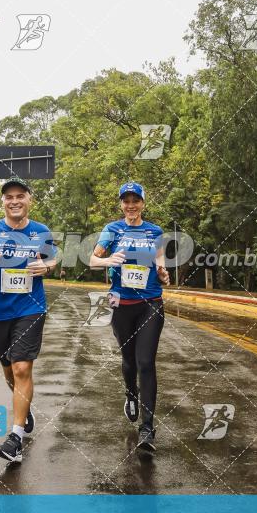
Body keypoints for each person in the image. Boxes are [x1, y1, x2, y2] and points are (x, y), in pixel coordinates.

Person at [0, 177, 57, 463]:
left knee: (21, 368)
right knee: (8, 370)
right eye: (9, 197)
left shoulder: (40, 231)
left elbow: (53, 259)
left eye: (20, 195)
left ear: (30, 199)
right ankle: (23, 408)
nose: (15, 201)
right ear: (3, 202)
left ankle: (15, 436)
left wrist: (46, 266)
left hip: (31, 308)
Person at [91, 181, 170, 453]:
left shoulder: (154, 231)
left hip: (151, 302)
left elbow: (159, 261)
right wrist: (107, 261)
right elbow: (93, 259)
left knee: (145, 361)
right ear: (121, 204)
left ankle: (147, 429)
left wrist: (162, 273)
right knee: (128, 360)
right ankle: (130, 394)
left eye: (135, 200)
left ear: (143, 203)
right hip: (120, 301)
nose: (131, 205)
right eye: (126, 200)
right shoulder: (112, 230)